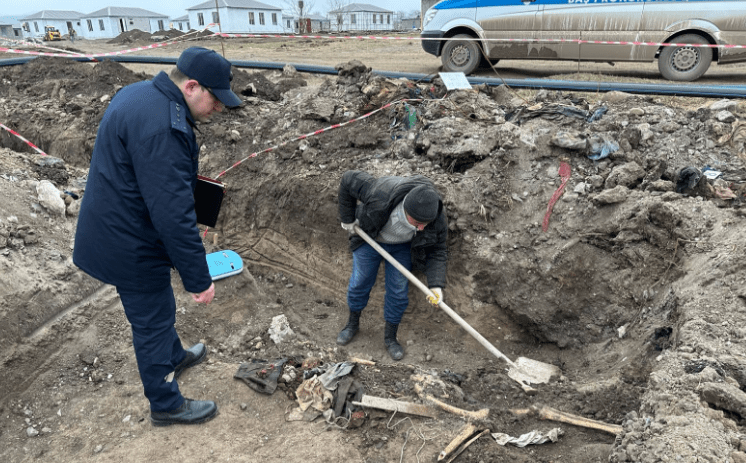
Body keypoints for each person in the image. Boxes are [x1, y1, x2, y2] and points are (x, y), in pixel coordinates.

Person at [73, 47, 242, 426]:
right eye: (215, 99)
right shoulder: (165, 126)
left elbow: (159, 187)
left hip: (122, 225)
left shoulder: (138, 93)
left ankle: (174, 356)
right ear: (192, 86)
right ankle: (165, 404)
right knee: (151, 322)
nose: (218, 109)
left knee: (159, 308)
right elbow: (173, 214)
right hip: (129, 243)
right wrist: (199, 279)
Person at [337, 170, 448, 360]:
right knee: (360, 282)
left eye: (425, 224)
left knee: (398, 292)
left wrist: (436, 286)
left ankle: (390, 337)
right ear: (406, 209)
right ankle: (352, 324)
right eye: (418, 223)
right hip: (370, 239)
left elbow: (438, 250)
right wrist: (347, 218)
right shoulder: (381, 193)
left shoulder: (435, 216)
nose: (421, 229)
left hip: (401, 248)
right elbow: (348, 179)